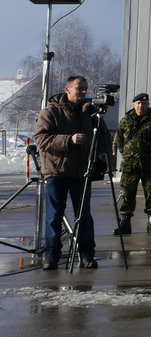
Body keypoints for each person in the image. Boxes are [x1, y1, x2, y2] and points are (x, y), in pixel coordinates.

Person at [33, 76, 100, 269]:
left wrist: (102, 153)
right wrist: (68, 140)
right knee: (54, 217)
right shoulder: (51, 111)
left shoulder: (91, 111)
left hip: (81, 173)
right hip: (56, 172)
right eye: (79, 88)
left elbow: (102, 135)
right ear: (67, 89)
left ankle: (86, 254)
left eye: (86, 88)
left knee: (84, 216)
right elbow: (41, 139)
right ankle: (52, 256)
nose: (83, 92)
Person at [113, 92, 151, 236]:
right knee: (127, 193)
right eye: (138, 103)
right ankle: (125, 223)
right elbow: (119, 141)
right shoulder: (126, 120)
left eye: (144, 103)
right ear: (133, 104)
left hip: (150, 165)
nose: (140, 106)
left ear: (148, 104)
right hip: (130, 165)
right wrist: (128, 154)